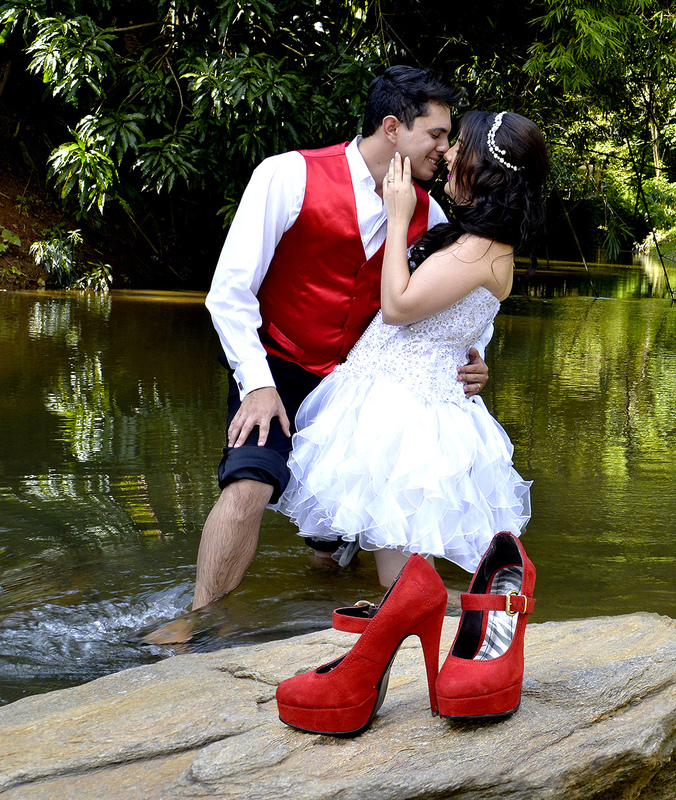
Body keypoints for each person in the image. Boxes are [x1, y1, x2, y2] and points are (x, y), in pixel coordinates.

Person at [193, 66, 490, 611]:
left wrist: (475, 359)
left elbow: (456, 305)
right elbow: (228, 294)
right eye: (438, 135)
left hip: (362, 381)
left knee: (335, 539)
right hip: (277, 366)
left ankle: (330, 572)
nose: (447, 150)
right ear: (394, 127)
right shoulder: (287, 175)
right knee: (249, 485)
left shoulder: (433, 213)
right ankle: (199, 622)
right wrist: (257, 384)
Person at [275, 109, 547, 588]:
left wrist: (398, 217)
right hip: (393, 399)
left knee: (398, 579)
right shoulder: (472, 240)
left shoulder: (481, 248)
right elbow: (458, 322)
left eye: (460, 146)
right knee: (386, 562)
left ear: (482, 168)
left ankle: (418, 639)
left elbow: (399, 307)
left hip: (408, 416)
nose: (448, 153)